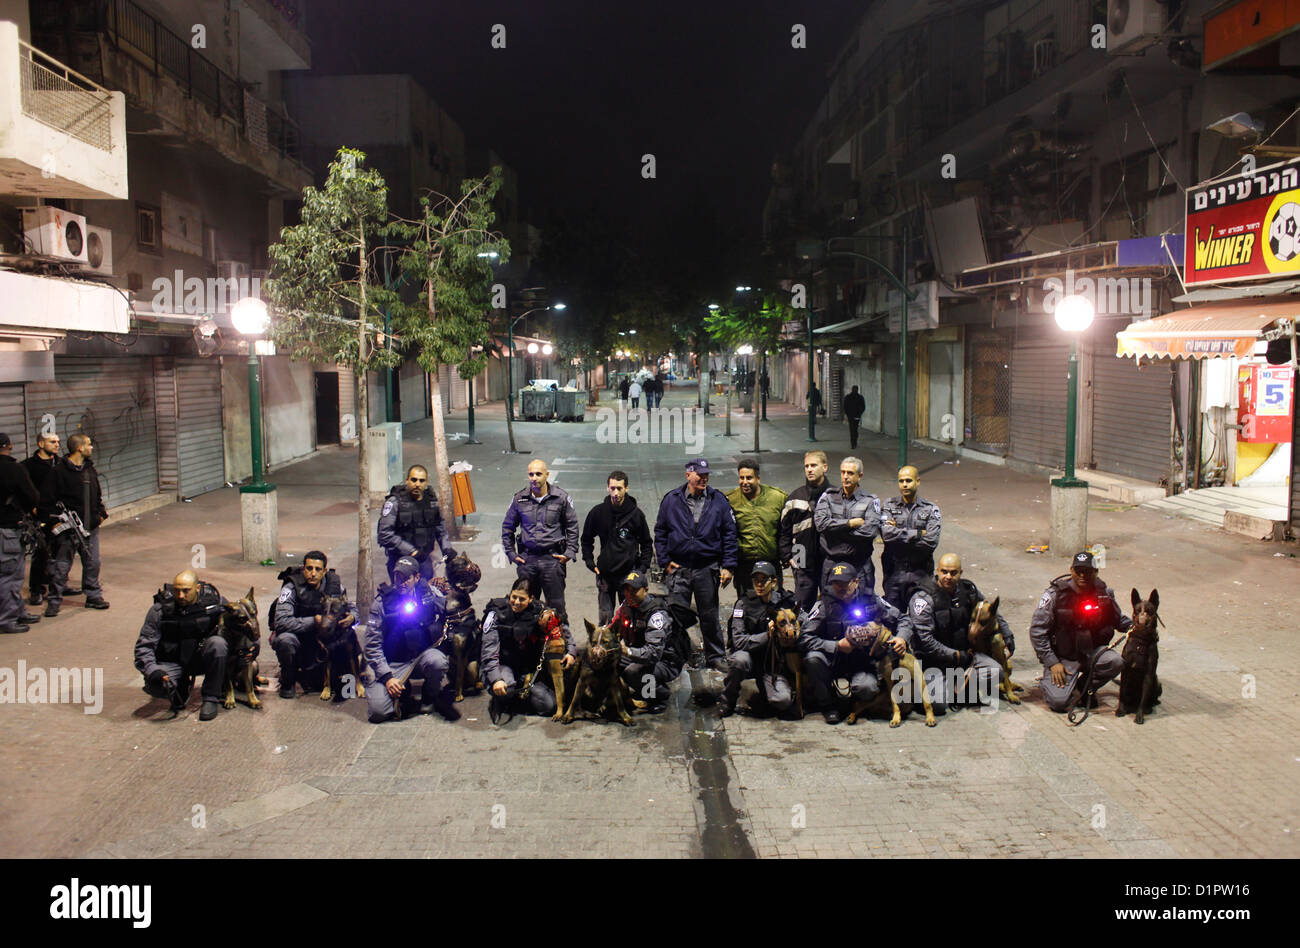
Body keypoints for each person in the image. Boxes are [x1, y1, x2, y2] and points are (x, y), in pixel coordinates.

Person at [898, 553, 1013, 713]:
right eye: (944, 571)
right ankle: (948, 689)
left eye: (953, 573)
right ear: (937, 571)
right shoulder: (923, 599)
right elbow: (925, 640)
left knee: (996, 671)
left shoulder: (968, 590)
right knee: (938, 705)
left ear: (960, 573)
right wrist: (956, 655)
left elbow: (990, 610)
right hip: (934, 662)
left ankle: (956, 687)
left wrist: (1007, 634)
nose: (948, 577)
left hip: (965, 657)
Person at [654, 458, 739, 671]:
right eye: (699, 474)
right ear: (688, 475)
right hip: (679, 568)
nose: (704, 478)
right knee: (676, 616)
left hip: (706, 567)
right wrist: (665, 562)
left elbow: (729, 533)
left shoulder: (718, 500)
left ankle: (716, 656)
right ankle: (675, 656)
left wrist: (728, 566)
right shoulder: (672, 500)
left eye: (706, 474)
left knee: (709, 615)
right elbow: (660, 532)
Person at [798, 562, 904, 724]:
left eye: (845, 583)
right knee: (812, 658)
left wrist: (901, 637)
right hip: (833, 660)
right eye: (836, 583)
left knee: (866, 689)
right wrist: (836, 646)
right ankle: (828, 705)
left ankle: (857, 703)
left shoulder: (871, 600)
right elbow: (804, 638)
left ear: (856, 582)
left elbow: (903, 619)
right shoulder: (824, 605)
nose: (840, 587)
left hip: (862, 662)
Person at [1029, 551, 1130, 712]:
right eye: (1078, 571)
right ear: (1071, 570)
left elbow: (1119, 620)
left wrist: (1136, 627)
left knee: (1115, 662)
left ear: (1096, 573)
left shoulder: (1104, 594)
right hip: (1064, 658)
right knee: (1059, 703)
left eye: (1088, 571)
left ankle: (1084, 688)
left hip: (1093, 652)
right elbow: (1037, 631)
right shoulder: (1055, 595)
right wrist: (1052, 662)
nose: (1083, 575)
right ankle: (1048, 681)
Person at [363, 556, 459, 723]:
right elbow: (372, 645)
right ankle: (400, 689)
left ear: (416, 577)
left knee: (438, 661)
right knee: (378, 713)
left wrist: (458, 591)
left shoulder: (428, 594)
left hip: (420, 657)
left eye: (406, 578)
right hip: (393, 663)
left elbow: (449, 608)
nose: (401, 582)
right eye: (397, 577)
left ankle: (429, 697)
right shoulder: (382, 603)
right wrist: (387, 678)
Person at [134, 569, 227, 720]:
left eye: (186, 591)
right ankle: (179, 687)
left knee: (218, 644)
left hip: (201, 658)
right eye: (177, 591)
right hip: (172, 661)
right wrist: (153, 671)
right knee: (156, 685)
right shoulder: (160, 610)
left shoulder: (214, 603)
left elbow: (240, 624)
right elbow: (145, 646)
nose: (180, 596)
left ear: (197, 588)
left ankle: (211, 697)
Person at [482, 577, 577, 717]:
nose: (516, 602)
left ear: (531, 598)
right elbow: (489, 651)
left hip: (529, 669)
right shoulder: (496, 613)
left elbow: (562, 629)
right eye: (514, 597)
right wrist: (496, 679)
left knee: (548, 706)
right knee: (506, 689)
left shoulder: (541, 611)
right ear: (510, 594)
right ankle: (505, 696)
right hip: (503, 665)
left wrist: (572, 652)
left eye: (522, 599)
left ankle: (522, 694)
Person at [270, 550, 357, 699]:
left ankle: (346, 679)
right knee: (284, 640)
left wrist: (353, 618)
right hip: (298, 637)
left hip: (324, 640)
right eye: (309, 568)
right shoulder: (291, 588)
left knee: (349, 636)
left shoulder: (335, 586)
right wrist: (314, 621)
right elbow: (281, 622)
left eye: (318, 569)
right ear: (303, 569)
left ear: (324, 571)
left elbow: (351, 608)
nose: (313, 573)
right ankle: (288, 681)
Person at [501, 459, 580, 618]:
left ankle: (562, 642)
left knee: (556, 609)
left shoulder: (561, 498)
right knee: (526, 608)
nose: (534, 478)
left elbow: (572, 526)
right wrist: (511, 554)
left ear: (547, 475)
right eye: (531, 474)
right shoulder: (519, 499)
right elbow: (507, 527)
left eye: (538, 474)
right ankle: (531, 642)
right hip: (528, 561)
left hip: (552, 560)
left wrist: (569, 552)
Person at [719, 562, 799, 717]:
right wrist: (768, 636)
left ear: (774, 582)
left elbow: (805, 624)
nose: (760, 584)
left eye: (764, 580)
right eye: (756, 580)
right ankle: (727, 701)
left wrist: (791, 632)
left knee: (782, 701)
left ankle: (766, 693)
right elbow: (738, 641)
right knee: (739, 660)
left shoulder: (786, 602)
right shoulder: (743, 603)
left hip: (773, 665)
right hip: (750, 659)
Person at [44, 433, 109, 616]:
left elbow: (96, 494)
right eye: (89, 444)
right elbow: (47, 500)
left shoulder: (89, 470)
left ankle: (93, 595)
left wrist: (101, 514)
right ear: (79, 448)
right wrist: (56, 522)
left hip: (90, 527)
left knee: (93, 562)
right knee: (62, 566)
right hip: (68, 531)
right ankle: (54, 601)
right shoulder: (59, 472)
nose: (91, 448)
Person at [581, 470, 653, 624]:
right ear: (607, 488)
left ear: (626, 488)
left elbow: (647, 543)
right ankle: (606, 648)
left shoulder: (636, 515)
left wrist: (641, 570)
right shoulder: (598, 513)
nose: (615, 492)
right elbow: (586, 539)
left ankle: (627, 647)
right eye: (612, 488)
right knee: (605, 619)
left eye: (619, 488)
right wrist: (589, 561)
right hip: (605, 575)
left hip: (628, 578)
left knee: (628, 619)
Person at [613, 570, 686, 712]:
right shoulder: (626, 606)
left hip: (666, 661)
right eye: (627, 590)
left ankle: (658, 697)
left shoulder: (656, 615)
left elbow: (652, 655)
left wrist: (627, 651)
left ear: (645, 590)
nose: (629, 594)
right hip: (641, 652)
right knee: (612, 660)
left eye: (634, 591)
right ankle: (642, 689)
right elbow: (613, 625)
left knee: (633, 672)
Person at [813, 456, 881, 595]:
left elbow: (870, 532)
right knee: (831, 606)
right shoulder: (828, 497)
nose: (845, 477)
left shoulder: (870, 501)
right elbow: (820, 524)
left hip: (859, 565)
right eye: (843, 472)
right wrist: (850, 523)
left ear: (860, 476)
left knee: (862, 606)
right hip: (833, 564)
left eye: (850, 473)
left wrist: (835, 532)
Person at [377, 465, 456, 584]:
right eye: (414, 480)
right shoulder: (395, 502)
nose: (417, 484)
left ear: (426, 483)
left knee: (427, 597)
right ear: (407, 480)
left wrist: (447, 549)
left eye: (421, 480)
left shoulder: (431, 501)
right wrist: (411, 551)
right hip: (400, 561)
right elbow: (384, 534)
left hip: (423, 561)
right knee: (400, 597)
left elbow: (440, 529)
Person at [880, 466, 942, 611]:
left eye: (909, 480)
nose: (905, 485)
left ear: (917, 481)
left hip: (921, 574)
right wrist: (919, 534)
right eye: (901, 481)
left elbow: (931, 541)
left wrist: (898, 535)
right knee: (892, 617)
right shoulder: (889, 506)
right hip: (895, 573)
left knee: (921, 616)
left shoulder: (930, 509)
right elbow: (887, 535)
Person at [779, 451, 832, 612]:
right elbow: (783, 531)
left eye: (813, 465)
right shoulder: (795, 497)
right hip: (801, 557)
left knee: (829, 604)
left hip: (828, 559)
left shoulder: (835, 496)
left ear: (825, 467)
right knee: (802, 606)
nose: (809, 469)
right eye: (806, 466)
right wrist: (787, 556)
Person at [725, 457, 788, 594]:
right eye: (742, 478)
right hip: (744, 566)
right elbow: (726, 534)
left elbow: (786, 530)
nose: (745, 482)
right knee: (747, 606)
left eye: (749, 478)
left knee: (774, 604)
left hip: (771, 563)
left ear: (758, 478)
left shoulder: (777, 498)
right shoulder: (730, 500)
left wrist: (787, 554)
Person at [0, 433, 40, 634]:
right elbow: (32, 497)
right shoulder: (14, 470)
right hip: (7, 531)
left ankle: (18, 611)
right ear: (10, 446)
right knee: (10, 576)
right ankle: (7, 619)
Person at [21, 432, 60, 606]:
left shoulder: (60, 463)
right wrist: (33, 508)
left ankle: (57, 585)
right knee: (41, 554)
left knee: (60, 553)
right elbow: (22, 491)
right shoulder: (28, 466)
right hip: (39, 518)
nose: (56, 445)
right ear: (40, 444)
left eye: (58, 442)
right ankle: (36, 590)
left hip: (59, 516)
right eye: (52, 442)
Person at [843, 384, 865, 449]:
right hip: (856, 415)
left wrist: (847, 414)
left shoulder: (848, 397)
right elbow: (863, 407)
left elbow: (845, 406)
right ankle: (854, 442)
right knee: (854, 428)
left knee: (852, 429)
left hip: (851, 415)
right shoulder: (860, 397)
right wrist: (860, 413)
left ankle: (853, 443)